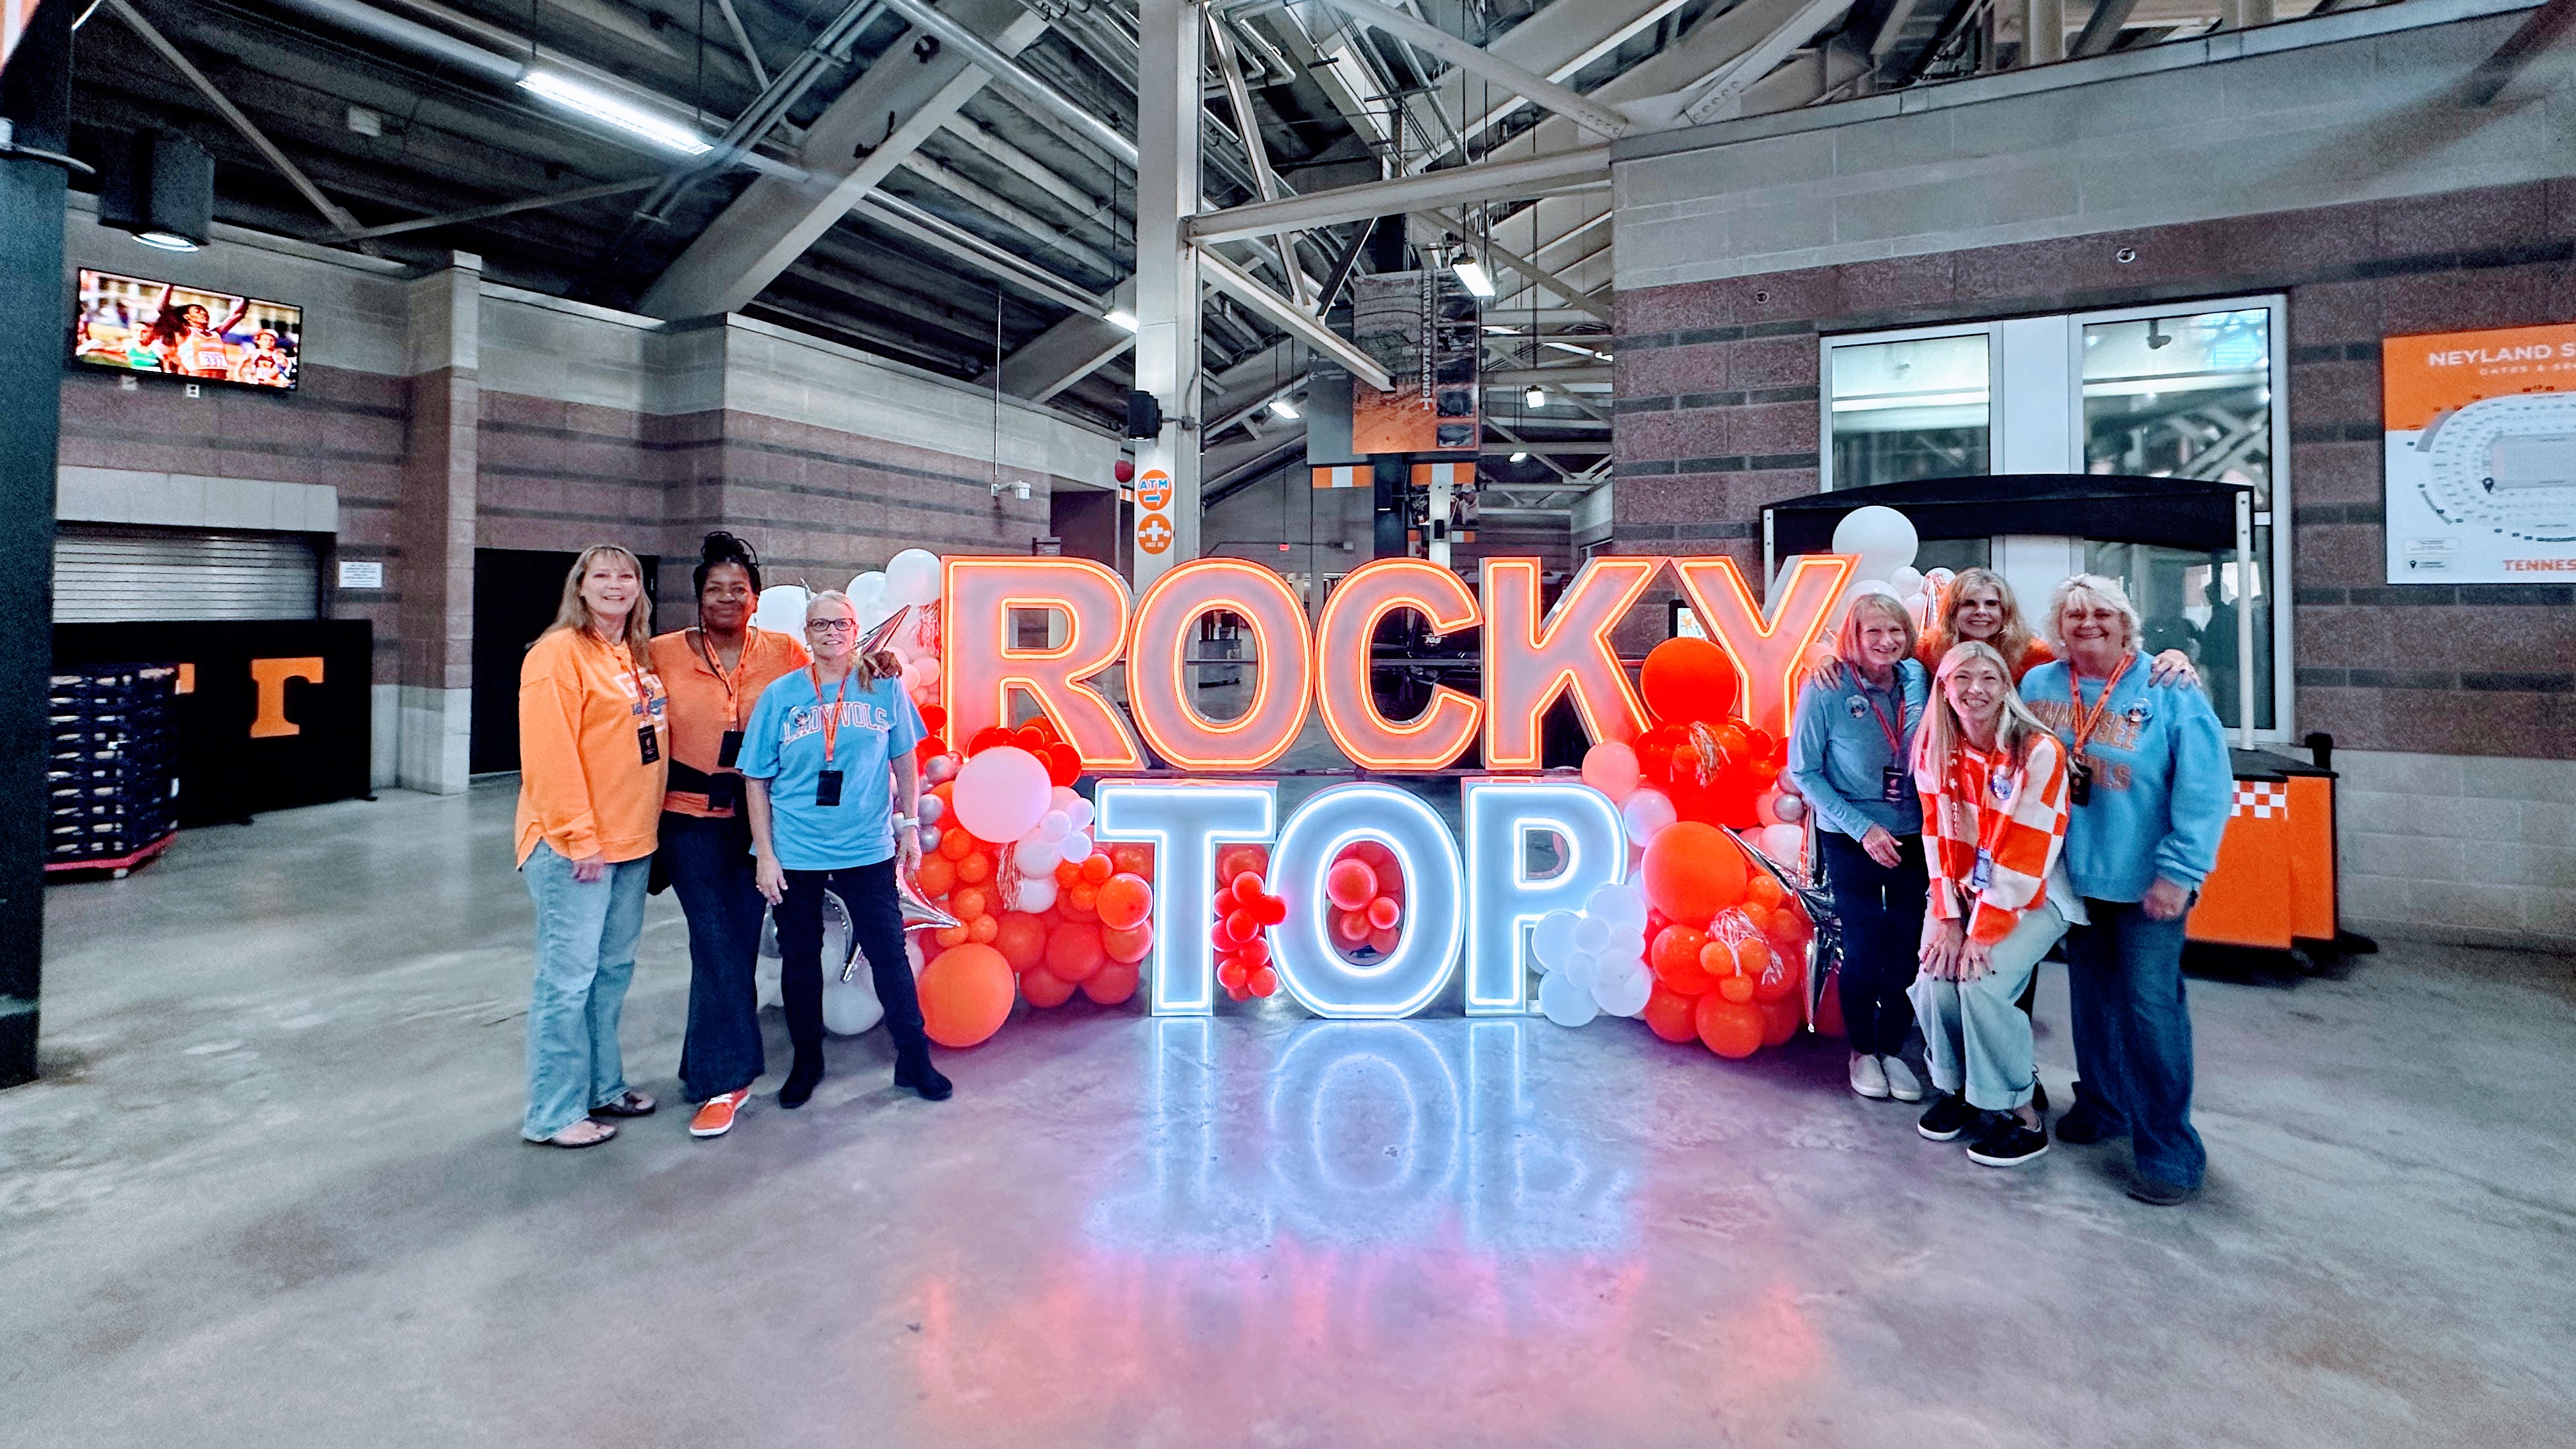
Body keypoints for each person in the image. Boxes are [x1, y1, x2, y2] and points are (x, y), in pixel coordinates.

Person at [2021, 574, 2233, 1205]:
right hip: (2075, 880)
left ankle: (2169, 1151)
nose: (2089, 623)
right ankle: (2104, 1105)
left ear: (2126, 623)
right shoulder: (2039, 684)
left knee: (2150, 1011)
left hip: (2148, 884)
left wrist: (2180, 872)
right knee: (2092, 1003)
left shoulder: (2169, 686)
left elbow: (2204, 788)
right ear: (2060, 625)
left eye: (2103, 613)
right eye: (2076, 613)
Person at [741, 591, 948, 1108]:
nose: (831, 632)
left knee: (889, 954)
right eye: (820, 624)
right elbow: (756, 778)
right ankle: (807, 1061)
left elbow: (905, 759)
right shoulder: (782, 695)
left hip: (867, 848)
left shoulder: (883, 687)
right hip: (797, 852)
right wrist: (765, 854)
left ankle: (914, 1058)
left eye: (842, 623)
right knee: (801, 959)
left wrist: (905, 825)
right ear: (806, 634)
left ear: (856, 629)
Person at [648, 533, 809, 1140]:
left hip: (756, 822)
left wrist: (880, 665)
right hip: (687, 822)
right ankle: (729, 1079)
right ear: (697, 599)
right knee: (715, 941)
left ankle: (702, 1067)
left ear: (756, 599)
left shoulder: (784, 652)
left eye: (737, 589)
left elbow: (830, 683)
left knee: (733, 944)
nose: (725, 598)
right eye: (714, 589)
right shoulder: (659, 653)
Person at [515, 545, 668, 1148]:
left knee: (611, 976)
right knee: (567, 981)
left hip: (630, 845)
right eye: (600, 575)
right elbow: (550, 757)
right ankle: (552, 1113)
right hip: (575, 850)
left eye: (626, 575)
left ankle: (604, 1085)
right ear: (579, 587)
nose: (614, 584)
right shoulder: (558, 654)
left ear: (639, 588)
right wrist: (580, 839)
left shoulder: (630, 655)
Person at [1910, 642, 2076, 1168]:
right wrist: (1948, 918)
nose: (1974, 690)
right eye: (1962, 679)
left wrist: (1980, 932)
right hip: (1964, 894)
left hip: (2034, 896)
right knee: (1934, 975)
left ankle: (2020, 1114)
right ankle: (1963, 1091)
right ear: (1945, 688)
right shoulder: (1936, 746)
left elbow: (2026, 854)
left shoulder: (2039, 750)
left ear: (2006, 687)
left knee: (1981, 987)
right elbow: (1935, 834)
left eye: (1988, 678)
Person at [1788, 590, 1930, 1104]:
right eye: (1874, 631)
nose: (1886, 640)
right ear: (1854, 636)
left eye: (1895, 630)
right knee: (1866, 946)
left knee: (1909, 946)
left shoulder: (1917, 679)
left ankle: (1893, 1047)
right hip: (1851, 835)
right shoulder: (1826, 688)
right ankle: (1863, 1050)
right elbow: (1803, 770)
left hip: (1914, 834)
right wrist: (1862, 829)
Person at [1922, 567, 2200, 687]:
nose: (1981, 612)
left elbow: (2096, 659)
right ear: (1952, 611)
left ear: (2005, 612)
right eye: (1969, 604)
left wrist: (2175, 656)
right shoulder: (1928, 650)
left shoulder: (2035, 655)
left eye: (1991, 604)